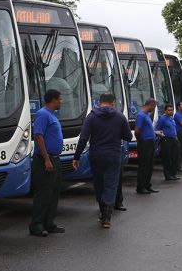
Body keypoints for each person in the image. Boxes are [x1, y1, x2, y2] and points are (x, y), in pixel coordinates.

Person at [73, 93, 133, 228]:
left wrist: (76, 157)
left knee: (99, 183)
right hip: (113, 154)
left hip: (96, 154)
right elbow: (128, 137)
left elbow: (83, 138)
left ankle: (102, 210)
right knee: (111, 184)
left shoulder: (92, 117)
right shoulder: (120, 117)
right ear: (113, 102)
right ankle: (107, 217)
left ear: (99, 102)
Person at [29, 89, 65, 237]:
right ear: (53, 100)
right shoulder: (42, 114)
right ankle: (36, 225)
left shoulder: (52, 115)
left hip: (55, 159)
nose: (61, 102)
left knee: (53, 193)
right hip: (45, 160)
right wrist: (46, 159)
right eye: (59, 99)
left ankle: (49, 223)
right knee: (43, 193)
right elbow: (38, 136)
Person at [135, 99, 160, 194]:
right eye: (154, 107)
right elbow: (137, 130)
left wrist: (155, 133)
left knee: (149, 165)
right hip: (145, 144)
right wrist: (141, 140)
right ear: (150, 105)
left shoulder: (147, 116)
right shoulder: (141, 115)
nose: (153, 109)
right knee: (144, 166)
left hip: (150, 142)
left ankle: (147, 185)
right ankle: (141, 187)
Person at [155, 104, 180, 181]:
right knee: (167, 158)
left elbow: (174, 129)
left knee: (175, 157)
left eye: (171, 110)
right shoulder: (162, 119)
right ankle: (168, 175)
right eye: (169, 110)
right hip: (166, 139)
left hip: (173, 139)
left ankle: (173, 174)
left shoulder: (171, 118)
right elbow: (157, 129)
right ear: (165, 110)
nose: (170, 112)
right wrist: (162, 136)